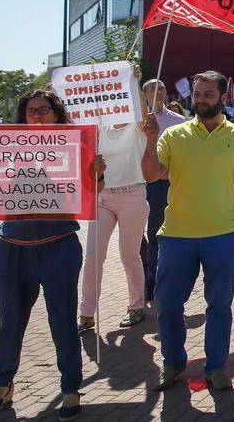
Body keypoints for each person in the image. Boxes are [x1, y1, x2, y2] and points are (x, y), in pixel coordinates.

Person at [0, 89, 105, 420]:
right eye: (30, 110)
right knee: (9, 320)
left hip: (58, 245)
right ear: (22, 116)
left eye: (44, 110)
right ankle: (2, 385)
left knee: (62, 320)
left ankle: (70, 388)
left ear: (56, 114)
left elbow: (91, 193)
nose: (36, 115)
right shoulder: (4, 150)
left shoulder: (75, 148)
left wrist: (97, 173)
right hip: (12, 247)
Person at [142, 71, 234, 392]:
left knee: (219, 305)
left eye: (208, 94)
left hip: (225, 236)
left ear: (222, 97)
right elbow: (151, 175)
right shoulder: (173, 135)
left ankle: (216, 366)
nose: (201, 99)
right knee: (167, 303)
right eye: (197, 94)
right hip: (177, 235)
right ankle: (173, 361)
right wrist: (150, 140)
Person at [79, 109, 149, 332]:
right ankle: (87, 312)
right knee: (93, 257)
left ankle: (136, 306)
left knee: (129, 256)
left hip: (133, 196)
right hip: (102, 197)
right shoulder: (101, 128)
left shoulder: (137, 127)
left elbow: (141, 110)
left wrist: (135, 80)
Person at [140, 79, 187, 305]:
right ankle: (144, 274)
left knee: (156, 233)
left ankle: (152, 282)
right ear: (144, 94)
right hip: (137, 183)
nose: (158, 92)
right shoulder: (137, 119)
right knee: (136, 236)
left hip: (163, 183)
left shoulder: (178, 122)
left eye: (162, 88)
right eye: (152, 89)